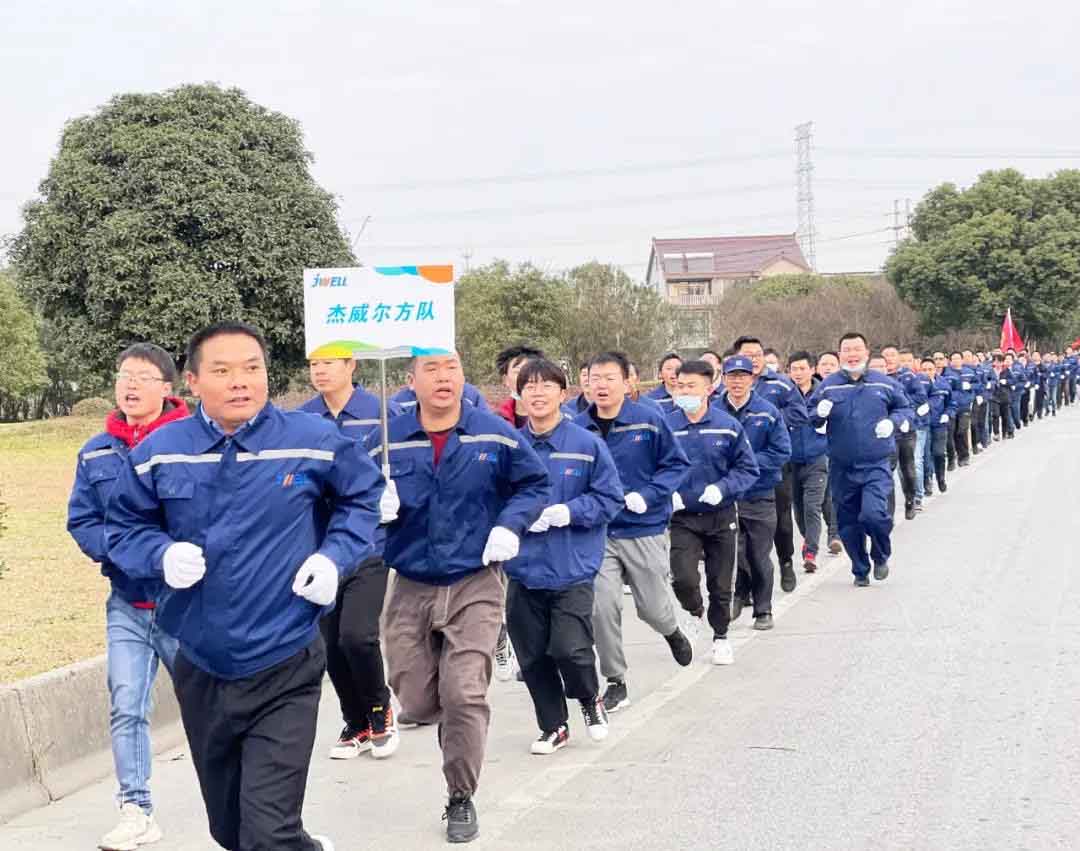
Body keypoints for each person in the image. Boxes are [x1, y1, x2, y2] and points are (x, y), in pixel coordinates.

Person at [106, 322, 385, 851]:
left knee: (267, 831)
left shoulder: (314, 442)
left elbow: (361, 500)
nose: (241, 382)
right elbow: (122, 527)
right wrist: (159, 554)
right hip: (203, 663)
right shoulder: (161, 451)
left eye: (252, 368)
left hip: (285, 658)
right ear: (191, 381)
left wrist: (334, 557)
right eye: (223, 371)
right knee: (231, 830)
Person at [369, 351, 549, 843]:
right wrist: (374, 506)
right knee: (416, 697)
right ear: (410, 381)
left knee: (464, 693)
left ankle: (460, 797)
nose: (443, 378)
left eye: (451, 367)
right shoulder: (389, 441)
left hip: (475, 579)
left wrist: (511, 525)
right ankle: (451, 721)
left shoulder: (493, 433)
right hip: (410, 582)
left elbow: (534, 483)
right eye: (431, 369)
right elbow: (347, 495)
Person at [67, 343, 187, 851]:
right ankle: (135, 807)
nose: (131, 385)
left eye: (143, 376)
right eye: (123, 376)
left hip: (188, 605)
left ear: (168, 387)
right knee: (125, 706)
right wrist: (123, 553)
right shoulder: (96, 450)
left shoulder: (190, 443)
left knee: (213, 705)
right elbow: (82, 520)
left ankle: (245, 801)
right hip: (127, 604)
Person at [504, 358, 623, 754]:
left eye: (546, 385)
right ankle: (553, 726)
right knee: (533, 656)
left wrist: (569, 511)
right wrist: (515, 519)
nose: (537, 393)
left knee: (569, 649)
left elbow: (609, 498)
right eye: (529, 386)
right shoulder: (510, 446)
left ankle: (590, 698)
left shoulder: (587, 444)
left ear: (564, 392)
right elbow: (489, 497)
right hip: (523, 568)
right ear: (518, 395)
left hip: (572, 567)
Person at [575, 351, 693, 712]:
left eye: (610, 378)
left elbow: (677, 465)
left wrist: (650, 495)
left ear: (627, 382)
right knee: (601, 606)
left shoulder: (649, 420)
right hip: (599, 532)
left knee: (652, 609)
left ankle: (671, 630)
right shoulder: (577, 427)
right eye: (596, 378)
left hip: (643, 527)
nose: (602, 385)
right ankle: (616, 680)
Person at [299, 356, 403, 760]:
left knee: (357, 635)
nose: (320, 370)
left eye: (330, 362)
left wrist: (397, 500)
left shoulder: (383, 415)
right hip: (321, 549)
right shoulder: (303, 420)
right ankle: (355, 721)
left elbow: (407, 467)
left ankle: (380, 709)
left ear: (352, 365)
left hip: (369, 542)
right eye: (315, 363)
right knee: (331, 644)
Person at [667, 360, 759, 664]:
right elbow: (651, 470)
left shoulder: (728, 426)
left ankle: (720, 636)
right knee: (683, 578)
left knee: (720, 584)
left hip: (720, 516)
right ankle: (693, 610)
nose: (684, 391)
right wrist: (668, 494)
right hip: (682, 518)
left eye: (691, 386)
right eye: (680, 385)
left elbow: (747, 469)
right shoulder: (666, 427)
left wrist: (723, 488)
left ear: (709, 388)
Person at [810, 333, 913, 587]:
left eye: (857, 349)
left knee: (874, 514)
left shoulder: (884, 383)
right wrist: (818, 414)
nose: (852, 354)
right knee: (848, 523)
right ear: (839, 354)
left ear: (867, 352)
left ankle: (880, 555)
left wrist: (893, 422)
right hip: (841, 466)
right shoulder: (829, 385)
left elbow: (905, 408)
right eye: (847, 350)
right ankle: (860, 568)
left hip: (876, 463)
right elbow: (812, 417)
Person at [716, 355, 791, 630]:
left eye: (743, 376)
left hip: (759, 493)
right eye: (732, 376)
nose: (737, 381)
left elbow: (782, 451)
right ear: (723, 379)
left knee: (759, 554)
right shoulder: (713, 410)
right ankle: (737, 596)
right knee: (733, 553)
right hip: (726, 496)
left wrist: (747, 464)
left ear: (752, 379)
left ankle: (763, 609)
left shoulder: (767, 411)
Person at [731, 336, 807, 594]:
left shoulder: (780, 383)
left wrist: (769, 418)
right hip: (737, 472)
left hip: (772, 464)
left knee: (782, 522)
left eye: (757, 354)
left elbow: (800, 413)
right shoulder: (729, 387)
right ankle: (747, 585)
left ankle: (786, 561)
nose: (753, 359)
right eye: (747, 354)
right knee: (741, 532)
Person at [785, 351, 829, 573]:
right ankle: (807, 538)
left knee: (813, 506)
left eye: (803, 368)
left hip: (817, 458)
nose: (798, 373)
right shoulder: (784, 395)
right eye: (794, 369)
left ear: (812, 369)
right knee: (798, 511)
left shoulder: (823, 393)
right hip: (790, 462)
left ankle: (810, 552)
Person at [882, 345, 928, 520]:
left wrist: (902, 408)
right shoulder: (877, 379)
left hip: (906, 430)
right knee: (887, 470)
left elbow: (920, 397)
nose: (889, 359)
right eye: (886, 356)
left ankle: (911, 499)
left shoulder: (908, 377)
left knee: (908, 467)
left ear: (898, 358)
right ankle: (888, 512)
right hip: (888, 431)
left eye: (892, 355)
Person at [921, 356, 955, 496]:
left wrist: (947, 414)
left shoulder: (944, 384)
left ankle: (940, 477)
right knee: (925, 455)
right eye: (924, 370)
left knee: (939, 452)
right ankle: (927, 481)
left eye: (930, 369)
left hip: (940, 423)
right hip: (923, 424)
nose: (927, 372)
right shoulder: (916, 385)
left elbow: (951, 403)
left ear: (935, 370)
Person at [494, 345, 545, 428]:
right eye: (517, 372)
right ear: (505, 380)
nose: (524, 376)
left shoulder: (559, 417)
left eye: (530, 370)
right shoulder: (497, 419)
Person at [944, 351, 975, 468]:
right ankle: (956, 455)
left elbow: (978, 385)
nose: (956, 361)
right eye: (954, 359)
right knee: (952, 432)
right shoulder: (947, 374)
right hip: (952, 407)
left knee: (962, 431)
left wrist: (971, 387)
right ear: (950, 361)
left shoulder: (969, 372)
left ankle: (964, 456)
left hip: (964, 406)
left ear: (962, 360)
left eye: (958, 358)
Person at [990, 353, 1015, 441]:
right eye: (996, 361)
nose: (997, 364)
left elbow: (1013, 381)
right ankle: (996, 433)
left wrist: (1006, 382)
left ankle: (1005, 432)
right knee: (995, 415)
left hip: (1005, 396)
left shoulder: (1006, 370)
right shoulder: (990, 371)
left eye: (999, 361)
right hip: (994, 396)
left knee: (1005, 415)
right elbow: (987, 380)